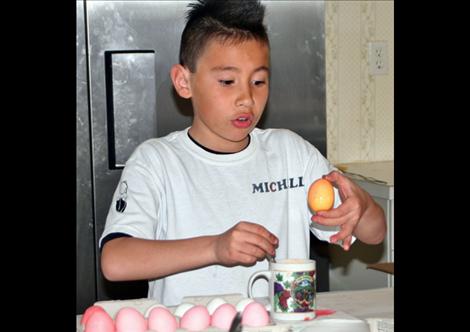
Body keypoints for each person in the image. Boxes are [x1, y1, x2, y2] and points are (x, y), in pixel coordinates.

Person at [100, 0, 386, 306]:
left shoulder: (292, 154)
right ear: (184, 82)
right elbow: (116, 261)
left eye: (259, 81)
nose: (247, 98)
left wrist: (363, 204)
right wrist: (216, 248)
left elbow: (375, 233)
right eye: (227, 82)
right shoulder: (157, 162)